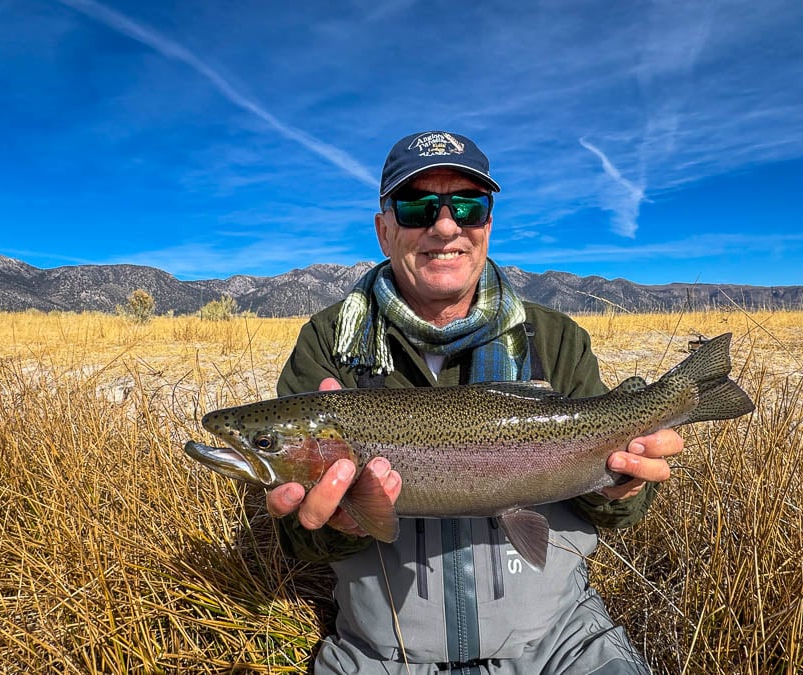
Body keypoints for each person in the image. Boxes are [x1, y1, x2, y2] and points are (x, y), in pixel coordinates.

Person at [269, 130, 684, 674]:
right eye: (417, 207)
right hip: (380, 653)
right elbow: (299, 538)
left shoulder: (555, 338)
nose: (445, 226)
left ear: (487, 225)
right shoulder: (328, 345)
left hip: (561, 644)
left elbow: (607, 510)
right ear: (384, 229)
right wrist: (325, 524)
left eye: (467, 206)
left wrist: (624, 484)